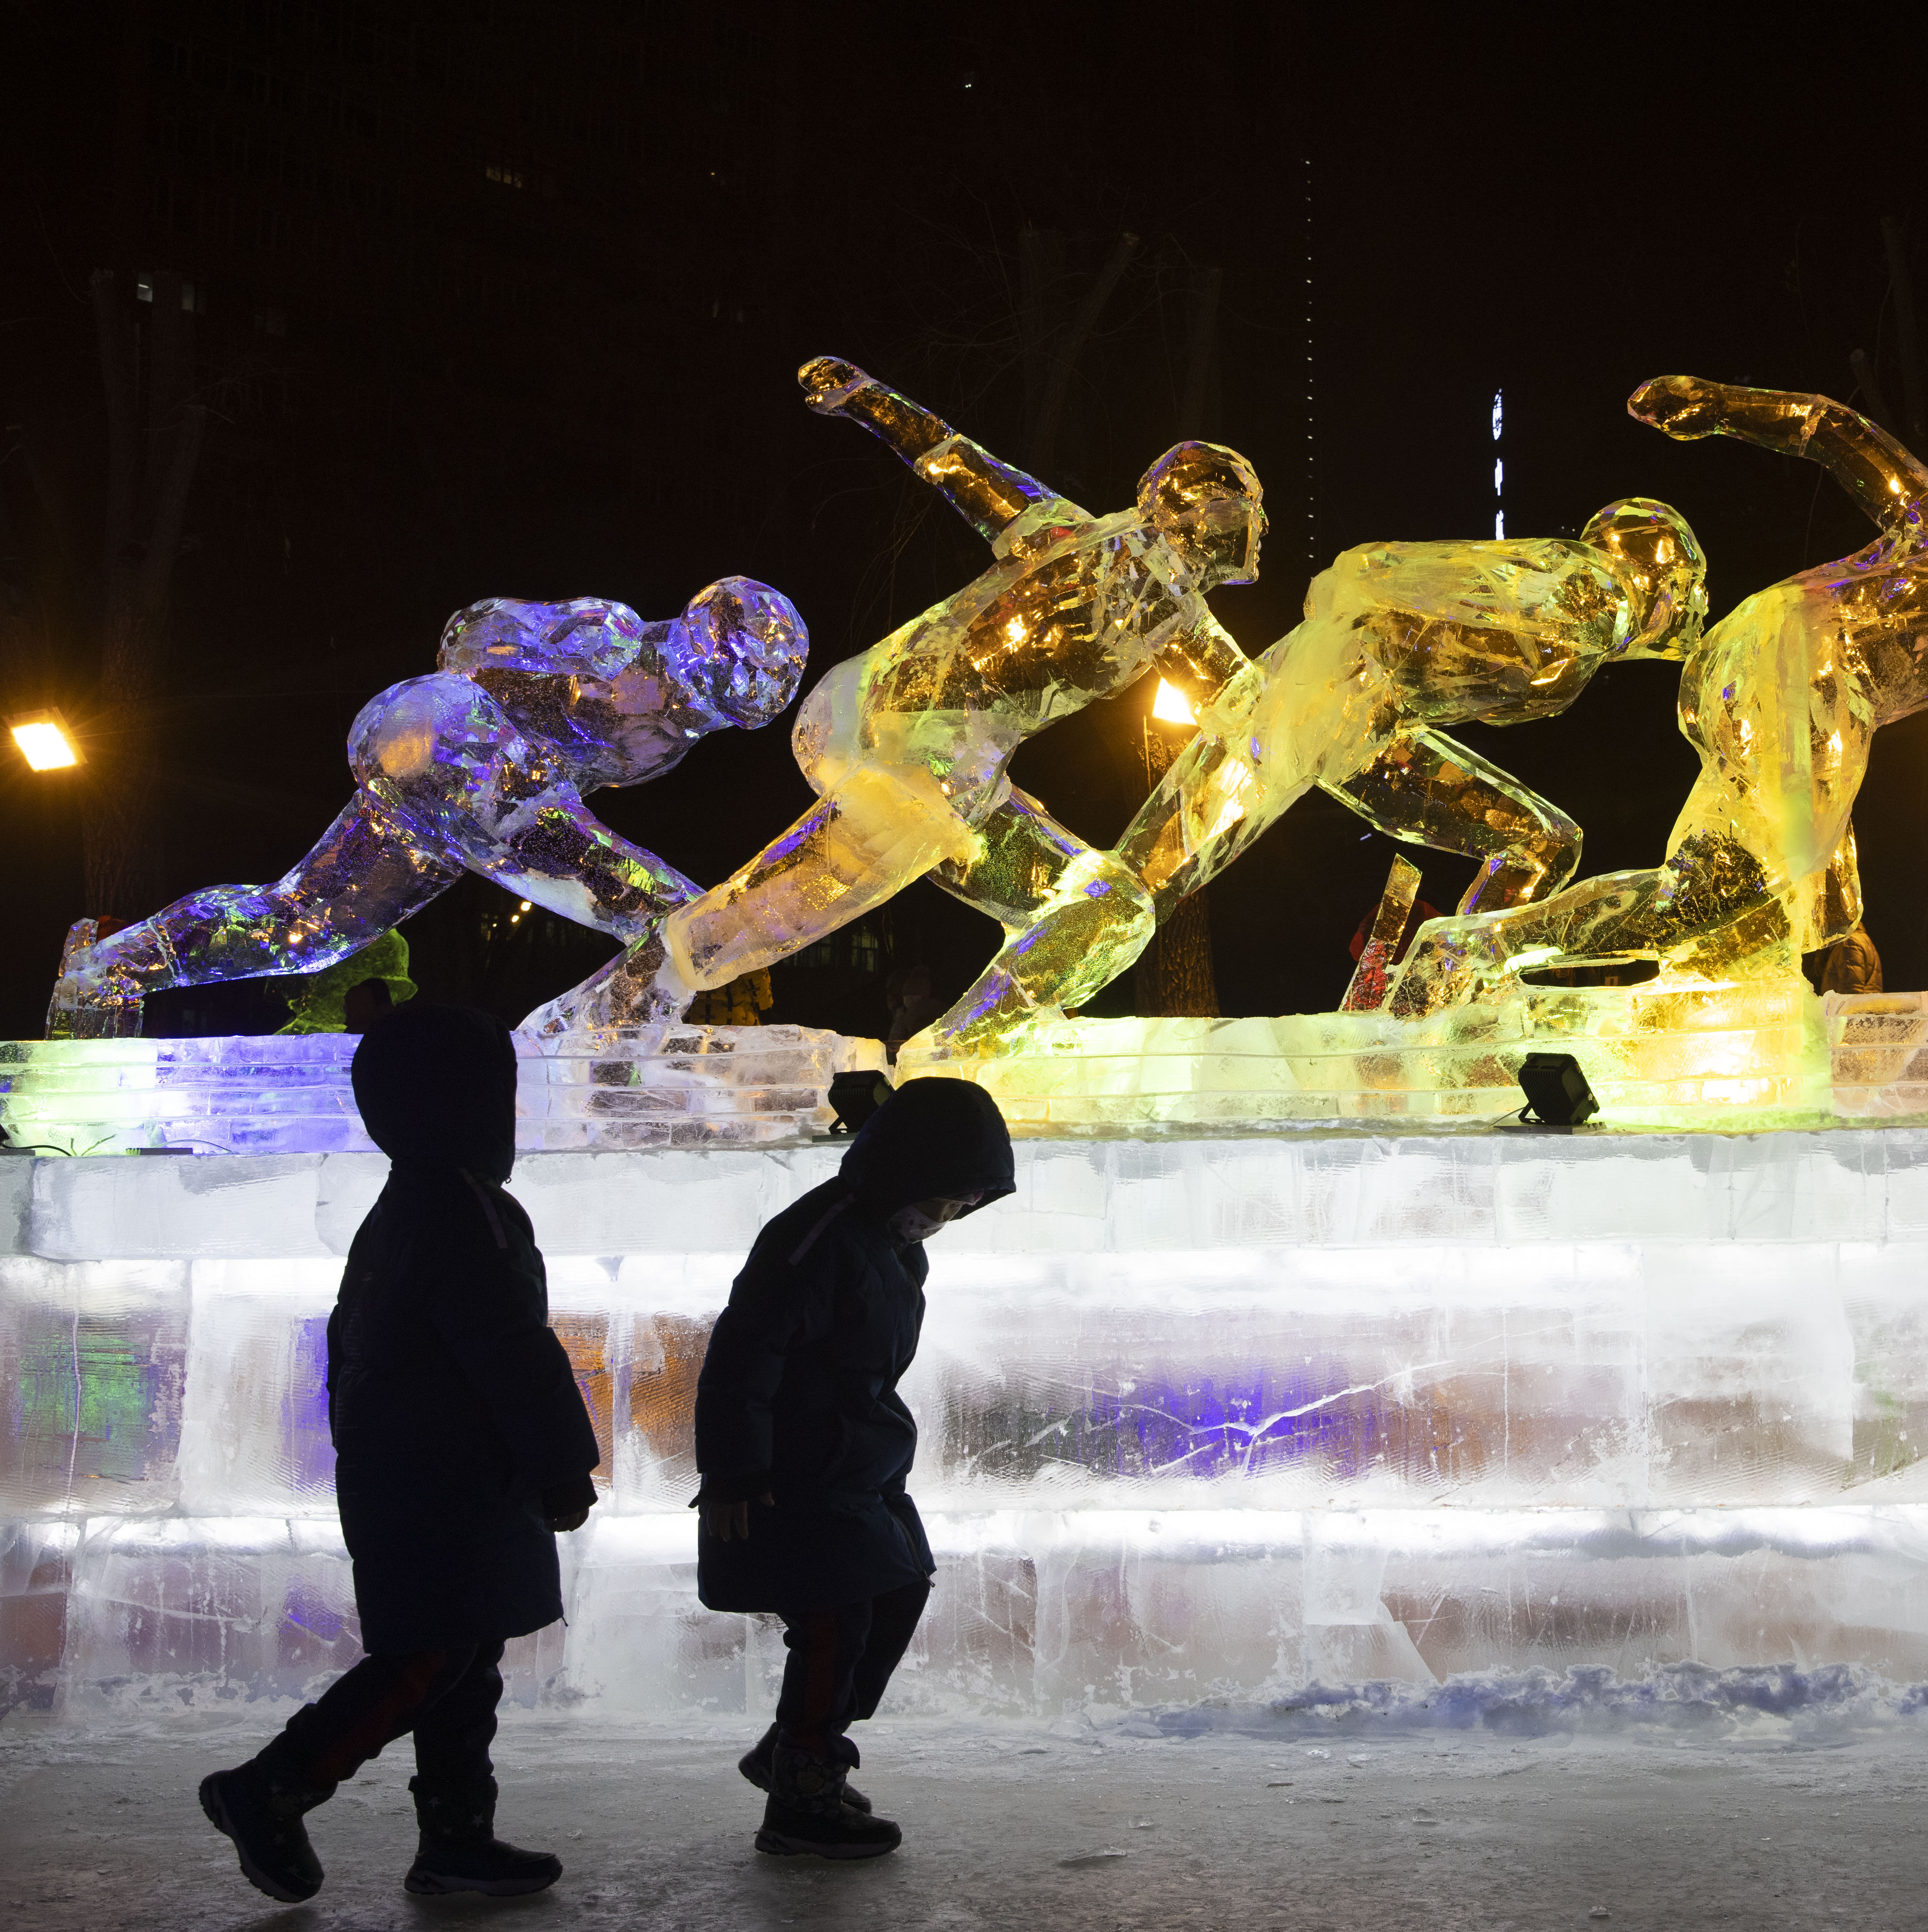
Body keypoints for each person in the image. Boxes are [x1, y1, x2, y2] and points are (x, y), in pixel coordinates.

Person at [1386, 376, 1928, 1014]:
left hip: (1751, 649)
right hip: (1804, 664)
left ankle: (1691, 1017)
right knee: (1718, 887)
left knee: (1748, 934)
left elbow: (1834, 429)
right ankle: (1479, 948)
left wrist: (1718, 405)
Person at [528, 358, 1267, 1049]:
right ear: (1211, 510)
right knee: (782, 905)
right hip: (891, 734)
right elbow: (951, 457)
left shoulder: (1176, 617)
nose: (1262, 529)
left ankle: (959, 1055)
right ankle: (605, 1018)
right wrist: (865, 398)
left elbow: (1257, 713)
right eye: (1255, 508)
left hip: (953, 776)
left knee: (1106, 909)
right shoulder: (1065, 537)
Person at [924, 494, 1711, 1051]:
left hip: (1366, 717)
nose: (1691, 610)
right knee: (1138, 888)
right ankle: (971, 1035)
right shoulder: (1594, 594)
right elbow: (1372, 572)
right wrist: (1366, 647)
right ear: (1661, 577)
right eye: (1691, 591)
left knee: (1541, 842)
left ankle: (1414, 1021)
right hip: (1323, 700)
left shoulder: (1578, 602)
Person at [197, 1004, 602, 1903]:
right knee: (432, 1657)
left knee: (459, 1657)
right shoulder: (469, 1212)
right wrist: (561, 1464)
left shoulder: (404, 1207)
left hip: (406, 1472)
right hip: (451, 1482)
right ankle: (273, 1785)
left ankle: (457, 1839)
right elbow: (513, 1351)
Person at [47, 578, 808, 1039]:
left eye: (709, 721)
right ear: (681, 643)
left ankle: (107, 968)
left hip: (462, 811)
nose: (686, 720)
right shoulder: (606, 636)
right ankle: (684, 927)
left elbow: (560, 817)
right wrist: (516, 716)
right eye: (690, 699)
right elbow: (468, 630)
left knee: (307, 926)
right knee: (602, 867)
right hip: (438, 731)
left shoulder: (667, 744)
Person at [694, 1076, 1017, 1858]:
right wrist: (736, 1468)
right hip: (796, 1471)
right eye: (939, 1202)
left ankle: (793, 1747)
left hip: (858, 1464)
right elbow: (744, 1353)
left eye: (958, 1209)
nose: (940, 1221)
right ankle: (802, 1794)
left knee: (897, 1591)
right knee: (836, 1620)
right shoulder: (818, 1240)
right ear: (901, 1175)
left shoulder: (890, 1243)